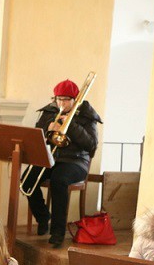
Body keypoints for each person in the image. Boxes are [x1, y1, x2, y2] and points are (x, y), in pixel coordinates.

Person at [23, 79, 101, 247]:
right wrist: (47, 129)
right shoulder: (49, 111)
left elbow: (91, 144)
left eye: (66, 100)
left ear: (75, 99)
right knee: (27, 180)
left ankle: (58, 231)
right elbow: (36, 137)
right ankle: (43, 217)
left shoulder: (87, 115)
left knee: (59, 180)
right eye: (59, 99)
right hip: (51, 158)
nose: (61, 103)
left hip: (75, 161)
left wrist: (71, 125)